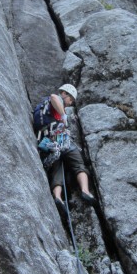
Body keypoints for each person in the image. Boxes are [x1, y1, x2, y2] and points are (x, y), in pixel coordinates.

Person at [34, 84, 96, 213]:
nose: (70, 103)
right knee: (78, 163)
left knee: (57, 168)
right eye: (71, 99)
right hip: (59, 139)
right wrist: (63, 116)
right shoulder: (56, 99)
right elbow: (53, 97)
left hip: (47, 143)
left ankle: (58, 197)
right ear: (64, 94)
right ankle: (85, 190)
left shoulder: (41, 109)